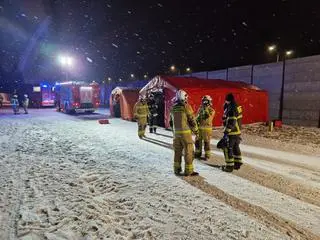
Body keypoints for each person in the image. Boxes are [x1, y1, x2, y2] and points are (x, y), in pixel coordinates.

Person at [169, 90, 199, 176]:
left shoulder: (173, 108)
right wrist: (196, 131)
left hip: (176, 134)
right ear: (184, 97)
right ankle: (188, 171)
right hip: (185, 134)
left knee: (177, 152)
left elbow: (171, 122)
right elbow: (192, 120)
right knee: (189, 151)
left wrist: (174, 132)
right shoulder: (186, 107)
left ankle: (176, 169)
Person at [222, 93, 243, 172]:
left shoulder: (231, 108)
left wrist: (226, 133)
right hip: (237, 132)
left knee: (228, 148)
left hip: (232, 132)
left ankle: (229, 166)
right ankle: (237, 163)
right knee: (235, 147)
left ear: (227, 100)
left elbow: (231, 122)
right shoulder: (237, 106)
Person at [195, 95, 215, 160]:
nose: (204, 102)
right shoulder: (200, 109)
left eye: (206, 101)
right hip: (199, 129)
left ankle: (207, 155)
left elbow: (208, 117)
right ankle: (198, 153)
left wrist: (206, 108)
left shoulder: (211, 110)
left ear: (209, 102)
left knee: (206, 143)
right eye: (204, 101)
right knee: (197, 142)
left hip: (207, 129)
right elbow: (197, 118)